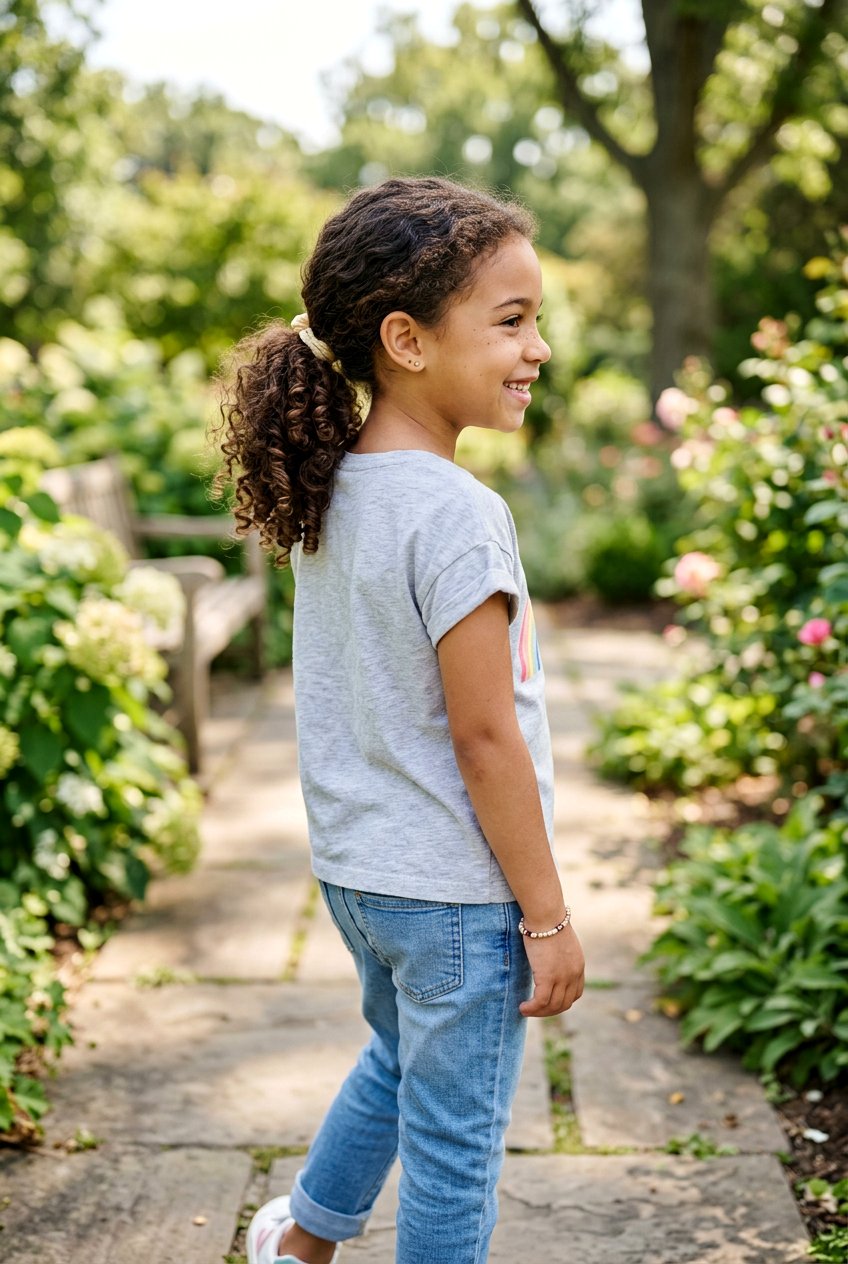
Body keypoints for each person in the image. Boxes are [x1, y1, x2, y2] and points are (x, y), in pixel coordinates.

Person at [215, 175, 585, 1264]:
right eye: (510, 321)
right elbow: (483, 737)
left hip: (362, 878)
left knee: (395, 1055)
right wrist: (548, 915)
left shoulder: (333, 488)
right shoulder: (458, 514)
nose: (538, 348)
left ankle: (303, 1243)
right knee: (455, 1144)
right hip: (458, 898)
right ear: (405, 341)